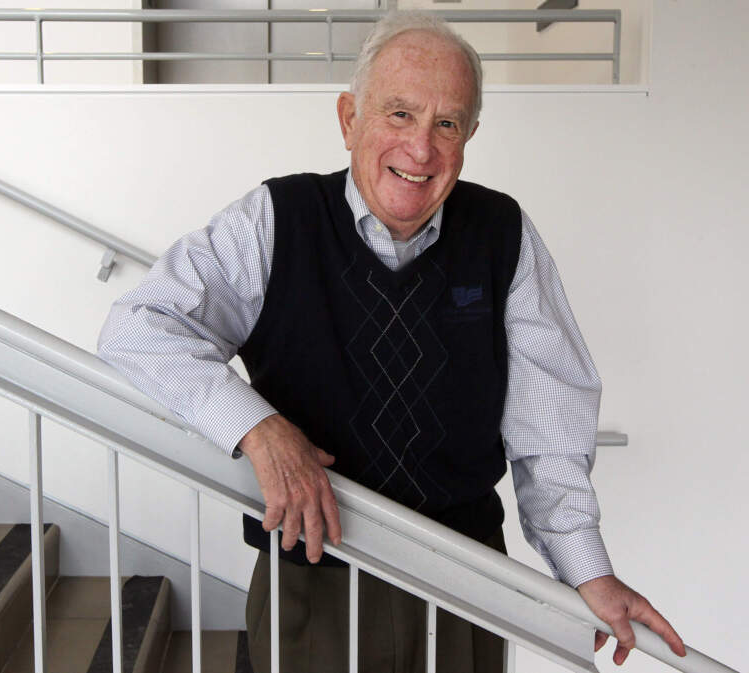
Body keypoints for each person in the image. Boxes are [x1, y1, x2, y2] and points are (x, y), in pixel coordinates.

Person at [98, 11, 687, 673]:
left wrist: (589, 573)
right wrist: (260, 430)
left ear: (469, 137)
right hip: (313, 578)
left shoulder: (503, 235)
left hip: (465, 583)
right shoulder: (275, 219)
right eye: (399, 114)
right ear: (350, 119)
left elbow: (548, 427)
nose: (421, 150)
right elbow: (139, 328)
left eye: (447, 123)